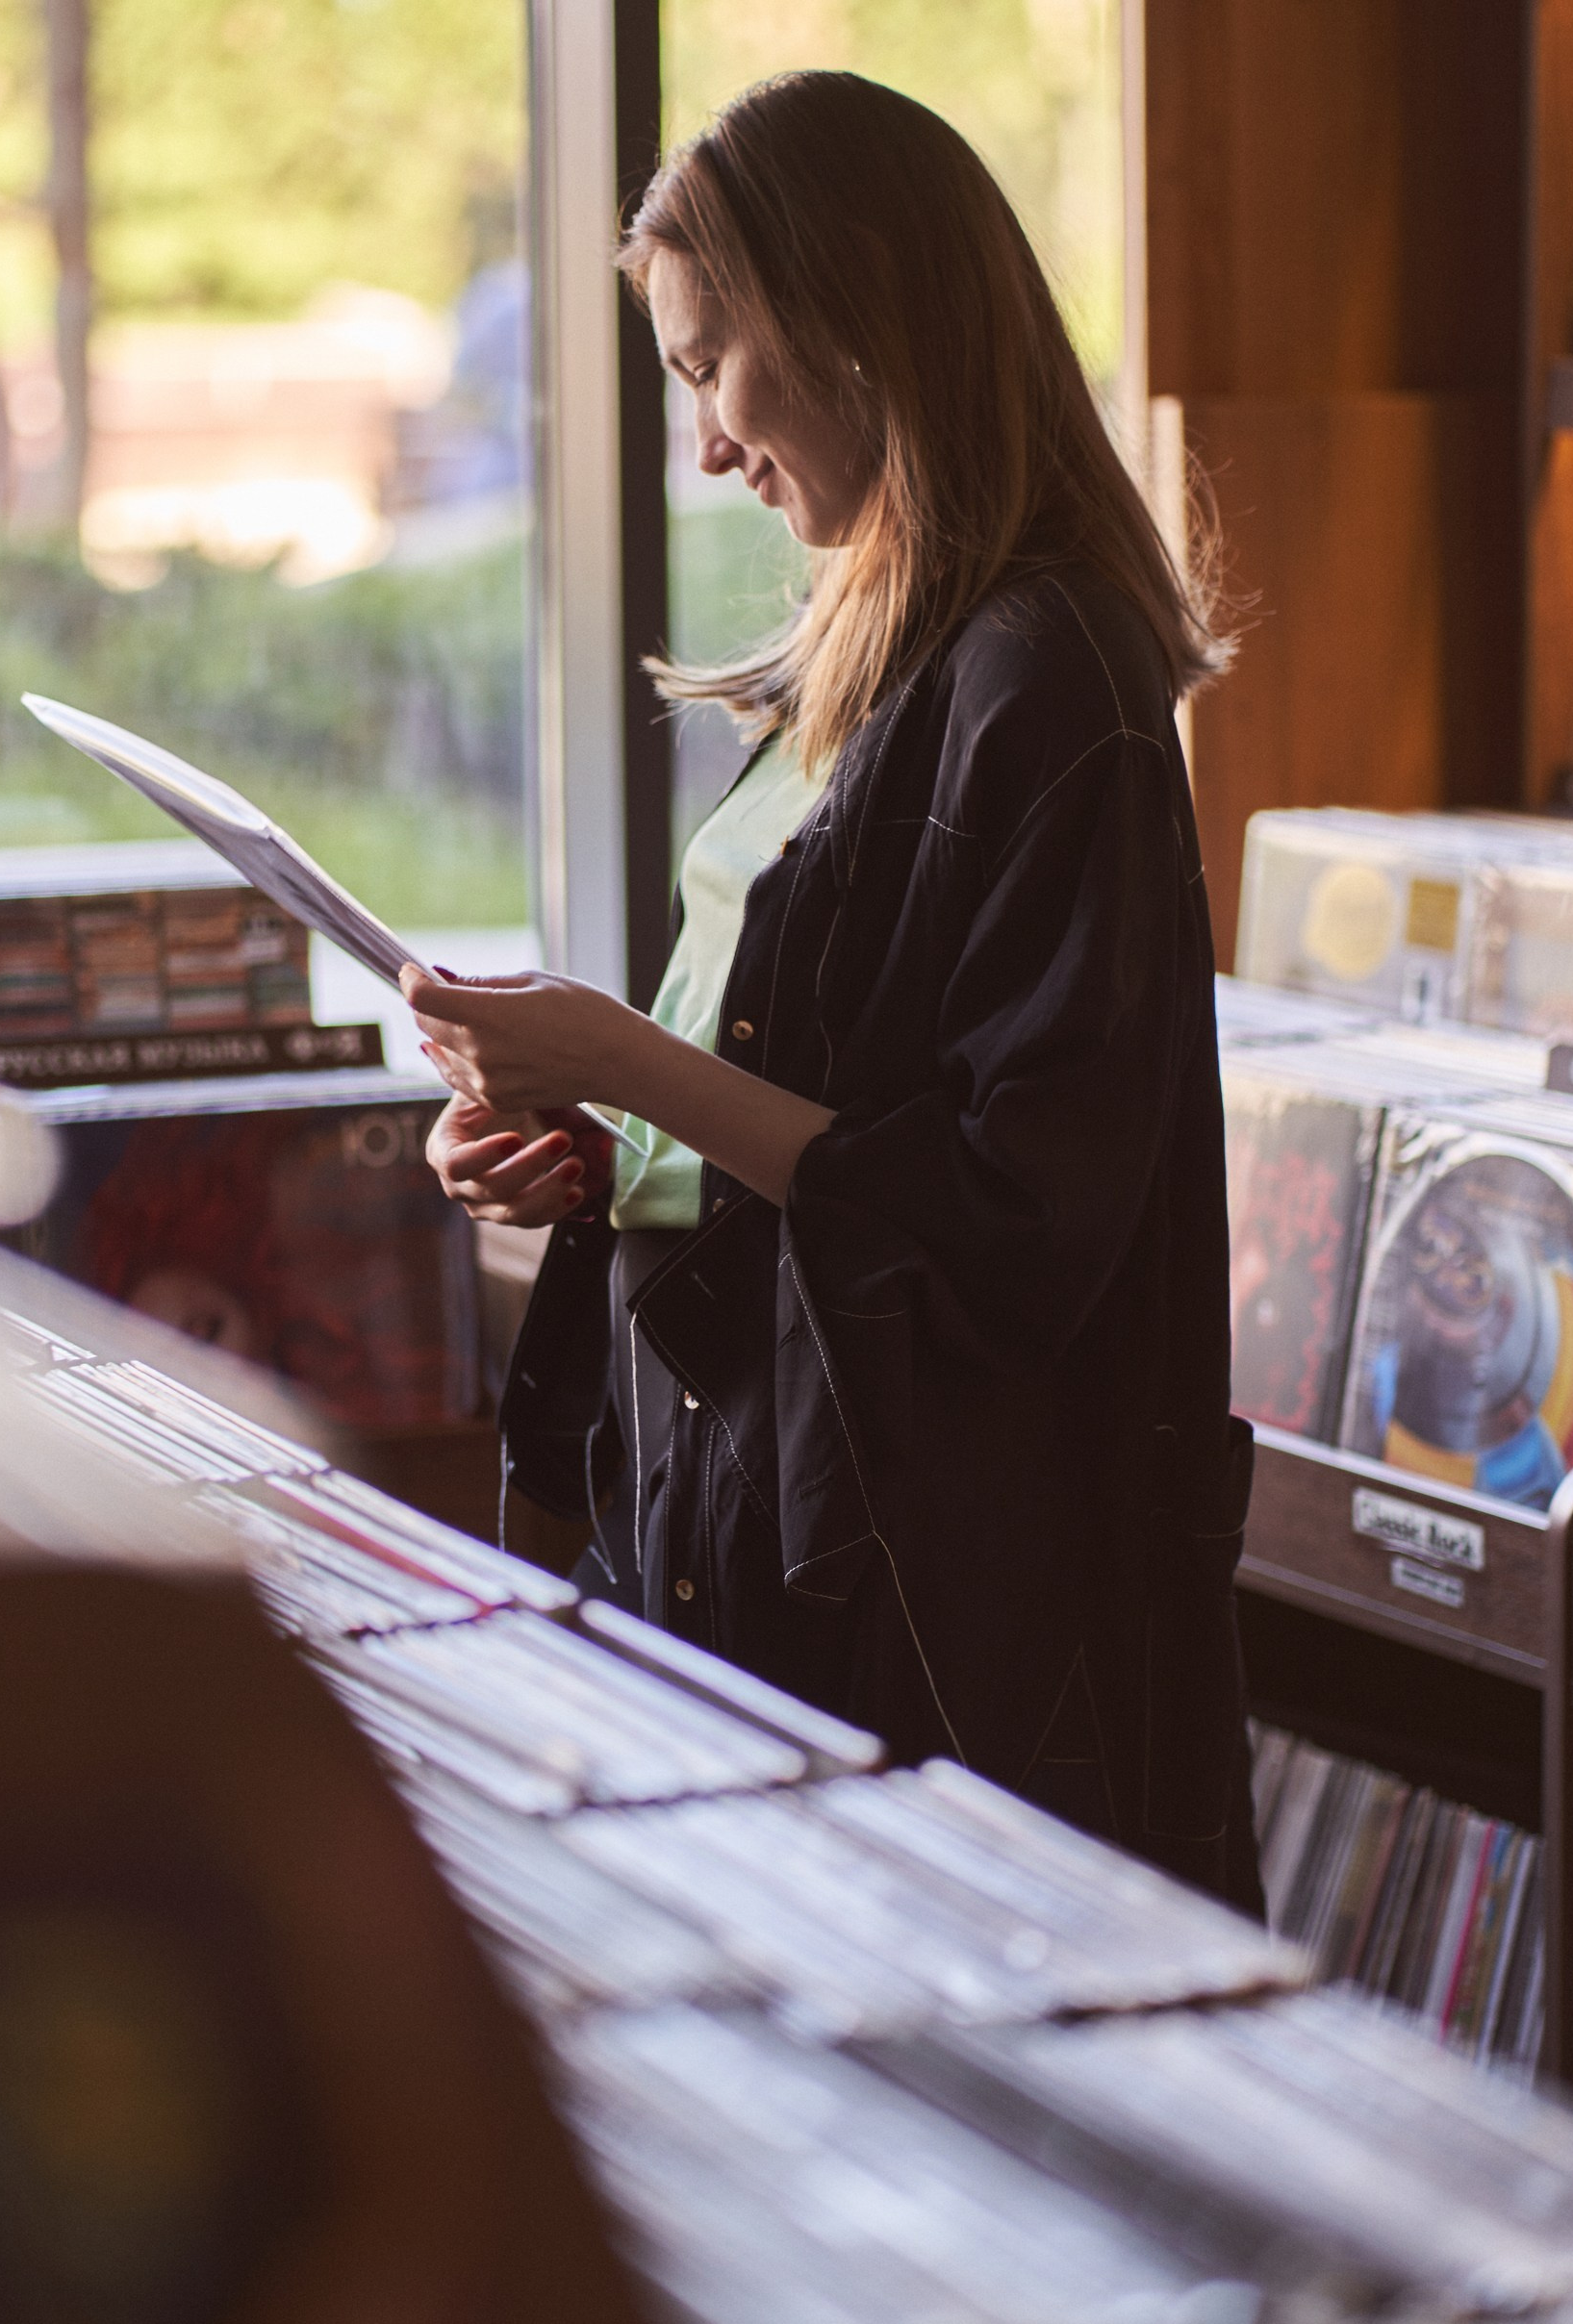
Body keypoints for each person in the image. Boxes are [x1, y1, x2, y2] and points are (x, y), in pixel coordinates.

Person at [404, 70, 1260, 1908]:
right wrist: (595, 1138)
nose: (708, 447)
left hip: (916, 1593)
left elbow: (1016, 1216)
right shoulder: (868, 647)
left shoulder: (1050, 681)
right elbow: (794, 1096)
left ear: (857, 316)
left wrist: (628, 1058)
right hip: (737, 1517)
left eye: (711, 366)